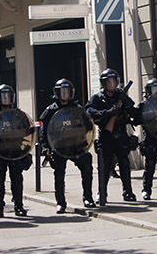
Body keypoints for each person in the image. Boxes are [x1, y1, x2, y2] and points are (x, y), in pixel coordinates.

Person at [39, 78, 96, 213]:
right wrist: (46, 148)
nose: (65, 94)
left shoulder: (77, 108)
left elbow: (87, 125)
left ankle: (88, 197)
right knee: (59, 174)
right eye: (62, 92)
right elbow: (43, 131)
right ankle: (61, 202)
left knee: (87, 167)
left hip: (76, 145)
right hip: (59, 146)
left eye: (67, 91)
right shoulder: (50, 110)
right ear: (57, 93)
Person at [85, 68, 140, 203]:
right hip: (106, 135)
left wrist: (127, 105)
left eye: (114, 81)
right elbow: (89, 111)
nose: (112, 84)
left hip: (121, 134)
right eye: (109, 82)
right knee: (105, 166)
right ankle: (102, 193)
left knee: (124, 164)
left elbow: (135, 114)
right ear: (104, 84)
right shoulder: (98, 98)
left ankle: (128, 192)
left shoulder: (121, 96)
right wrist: (107, 113)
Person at [0, 84, 30, 218]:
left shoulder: (18, 114)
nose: (6, 99)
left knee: (17, 179)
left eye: (8, 96)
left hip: (15, 151)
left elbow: (28, 129)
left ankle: (19, 206)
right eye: (4, 96)